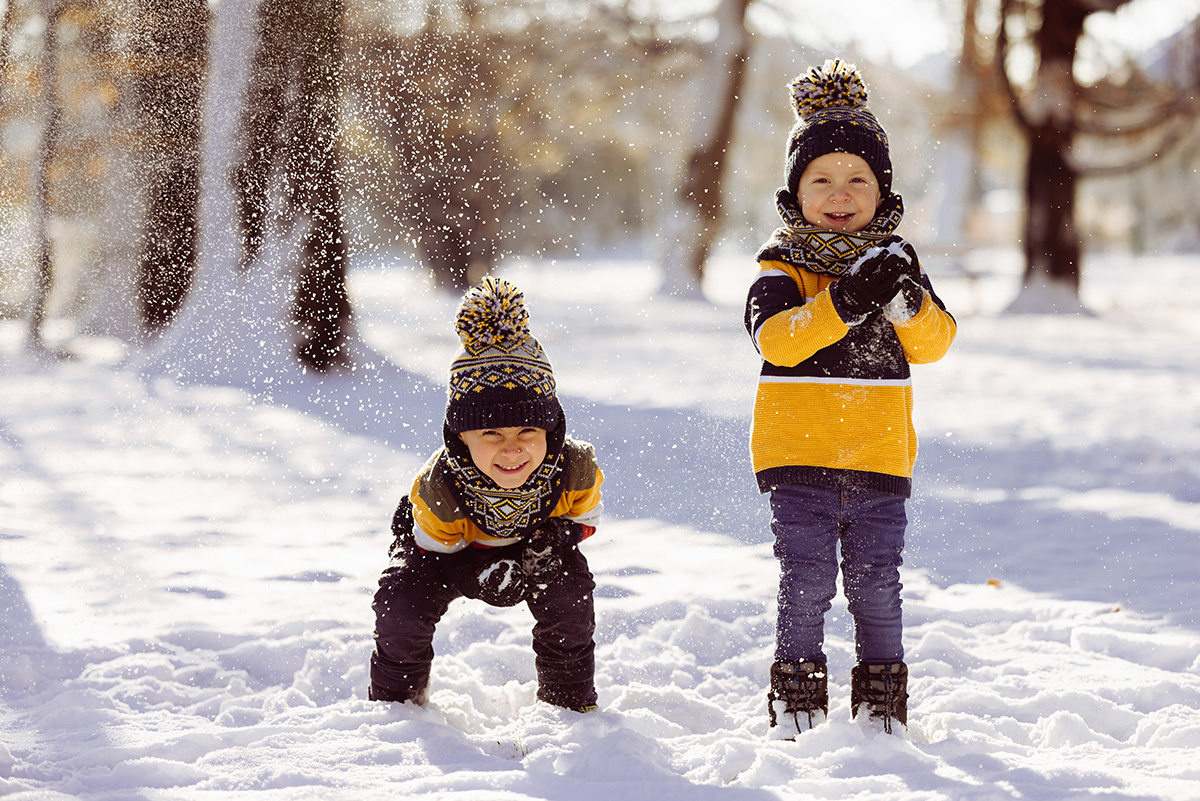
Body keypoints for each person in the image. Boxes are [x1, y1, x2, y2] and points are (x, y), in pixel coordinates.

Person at [744, 59, 957, 737]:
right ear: (796, 190)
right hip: (798, 462)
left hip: (878, 462)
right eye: (822, 179)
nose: (841, 193)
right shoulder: (781, 266)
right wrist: (841, 301)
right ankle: (798, 703)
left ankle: (881, 710)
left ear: (882, 188)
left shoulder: (900, 263)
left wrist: (903, 302)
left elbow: (936, 342)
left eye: (858, 178)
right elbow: (777, 340)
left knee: (876, 587)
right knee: (806, 586)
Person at [370, 277, 604, 713]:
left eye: (527, 431)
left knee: (569, 591)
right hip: (443, 553)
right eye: (491, 433)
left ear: (551, 430)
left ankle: (568, 703)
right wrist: (469, 573)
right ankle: (396, 705)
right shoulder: (439, 489)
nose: (511, 448)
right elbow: (434, 556)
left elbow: (582, 521)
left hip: (535, 545)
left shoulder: (574, 470)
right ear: (461, 437)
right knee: (401, 603)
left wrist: (553, 542)